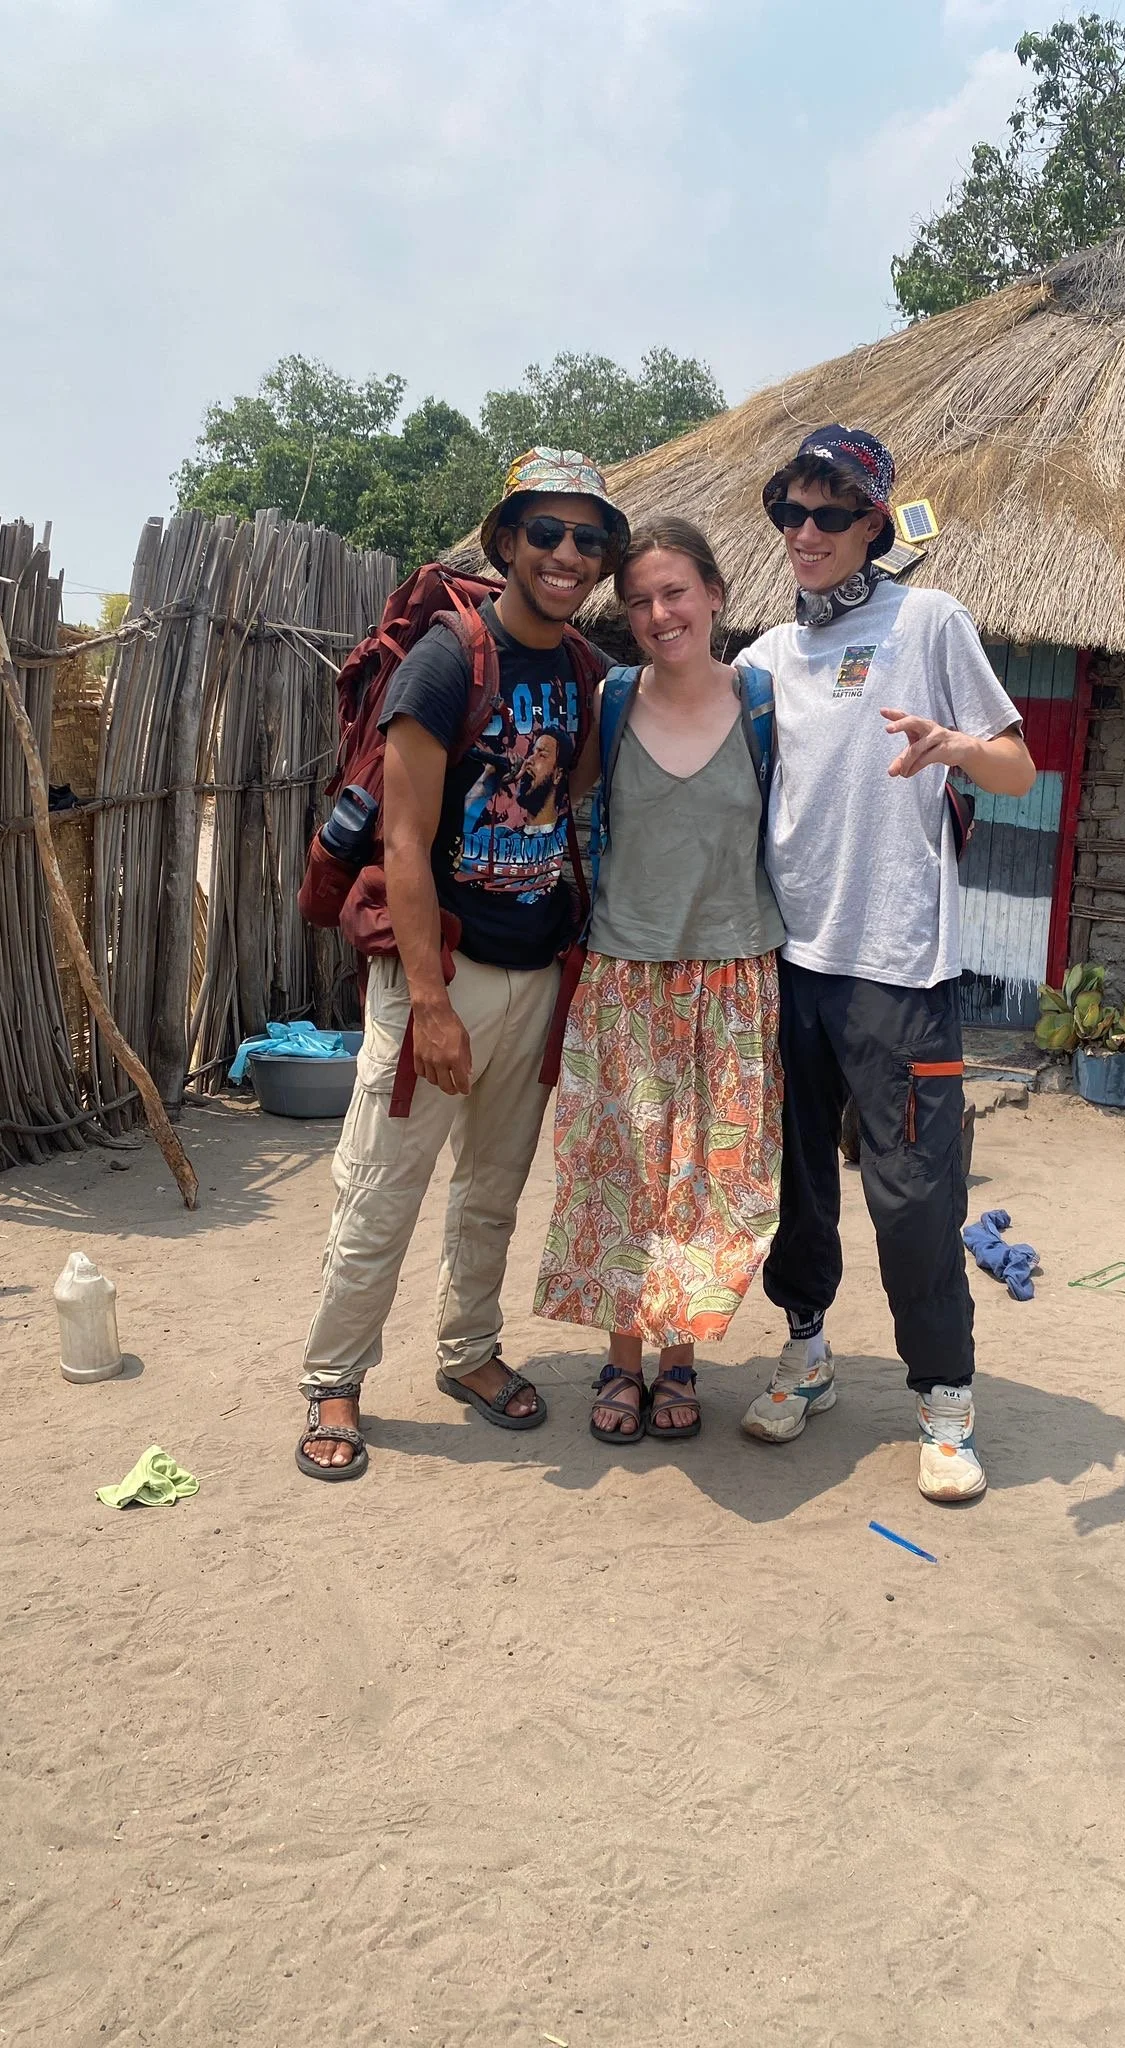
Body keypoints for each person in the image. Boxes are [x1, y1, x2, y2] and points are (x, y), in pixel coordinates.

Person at [296, 451, 624, 1480]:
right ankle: (336, 1375)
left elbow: (567, 809)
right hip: (440, 973)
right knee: (383, 1187)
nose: (568, 553)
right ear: (507, 542)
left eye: (587, 537)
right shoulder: (448, 660)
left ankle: (468, 1350)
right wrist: (429, 1003)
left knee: (492, 1185)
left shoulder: (583, 671)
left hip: (535, 972)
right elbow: (403, 841)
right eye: (547, 532)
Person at [733, 426, 1037, 1504]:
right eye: (790, 513)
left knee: (913, 1194)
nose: (805, 533)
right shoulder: (764, 656)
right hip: (789, 965)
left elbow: (1017, 763)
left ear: (873, 523)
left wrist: (954, 747)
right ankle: (807, 1352)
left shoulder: (928, 620)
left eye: (830, 514)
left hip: (901, 970)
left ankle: (945, 1402)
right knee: (798, 1185)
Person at [534, 519, 784, 1444]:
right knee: (620, 1178)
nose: (657, 614)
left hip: (734, 980)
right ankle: (624, 1360)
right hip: (625, 980)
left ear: (716, 593)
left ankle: (682, 1360)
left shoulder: (764, 701)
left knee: (712, 1182)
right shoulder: (610, 699)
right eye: (637, 600)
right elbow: (563, 795)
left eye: (674, 592)